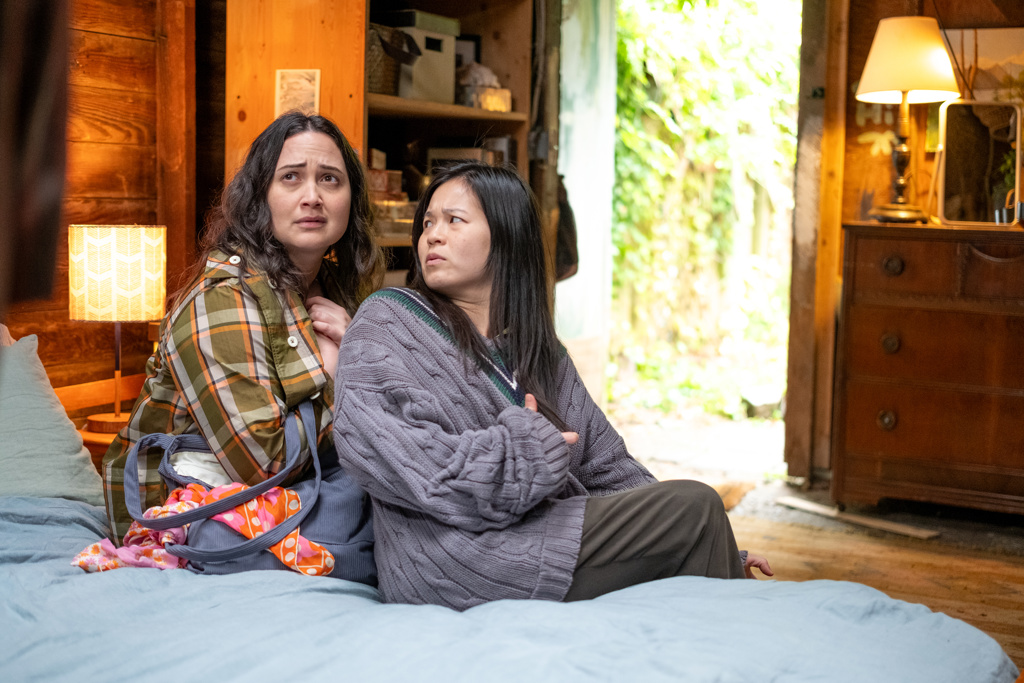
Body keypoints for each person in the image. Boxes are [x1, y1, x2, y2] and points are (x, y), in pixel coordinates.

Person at [332, 161, 770, 611]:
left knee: (697, 512)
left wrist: (707, 540)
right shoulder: (387, 320)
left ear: (507, 236)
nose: (433, 236)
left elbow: (608, 468)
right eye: (428, 223)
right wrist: (523, 452)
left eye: (454, 220)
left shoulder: (539, 352)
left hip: (541, 537)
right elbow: (392, 456)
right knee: (697, 505)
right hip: (453, 560)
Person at [101, 111, 384, 543]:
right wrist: (340, 371)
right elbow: (263, 463)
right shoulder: (221, 298)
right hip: (181, 517)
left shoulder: (334, 290)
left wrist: (358, 349)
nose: (312, 196)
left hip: (295, 497)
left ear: (351, 198)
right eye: (290, 177)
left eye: (330, 179)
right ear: (259, 197)